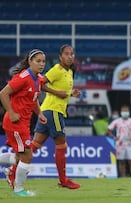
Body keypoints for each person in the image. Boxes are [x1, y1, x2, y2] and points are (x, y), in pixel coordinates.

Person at [27, 44, 81, 189]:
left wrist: (71, 94)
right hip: (53, 111)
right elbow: (40, 83)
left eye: (72, 54)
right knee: (62, 145)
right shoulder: (57, 70)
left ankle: (12, 171)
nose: (70, 56)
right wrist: (58, 94)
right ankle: (63, 180)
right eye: (66, 54)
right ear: (60, 57)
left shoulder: (69, 72)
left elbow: (62, 92)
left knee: (35, 145)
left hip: (47, 111)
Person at [0, 49, 47, 196]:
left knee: (20, 157)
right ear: (29, 62)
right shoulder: (23, 77)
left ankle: (11, 176)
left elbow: (32, 100)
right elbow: (3, 93)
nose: (41, 64)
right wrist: (12, 113)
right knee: (27, 156)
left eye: (43, 61)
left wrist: (39, 113)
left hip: (24, 123)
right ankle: (18, 189)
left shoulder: (39, 79)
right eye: (38, 61)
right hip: (15, 122)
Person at [107, 105, 131, 177]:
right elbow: (108, 129)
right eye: (124, 111)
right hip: (120, 143)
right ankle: (123, 176)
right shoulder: (117, 121)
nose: (125, 113)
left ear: (128, 112)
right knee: (121, 161)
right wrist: (113, 137)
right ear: (121, 112)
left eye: (126, 111)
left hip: (129, 143)